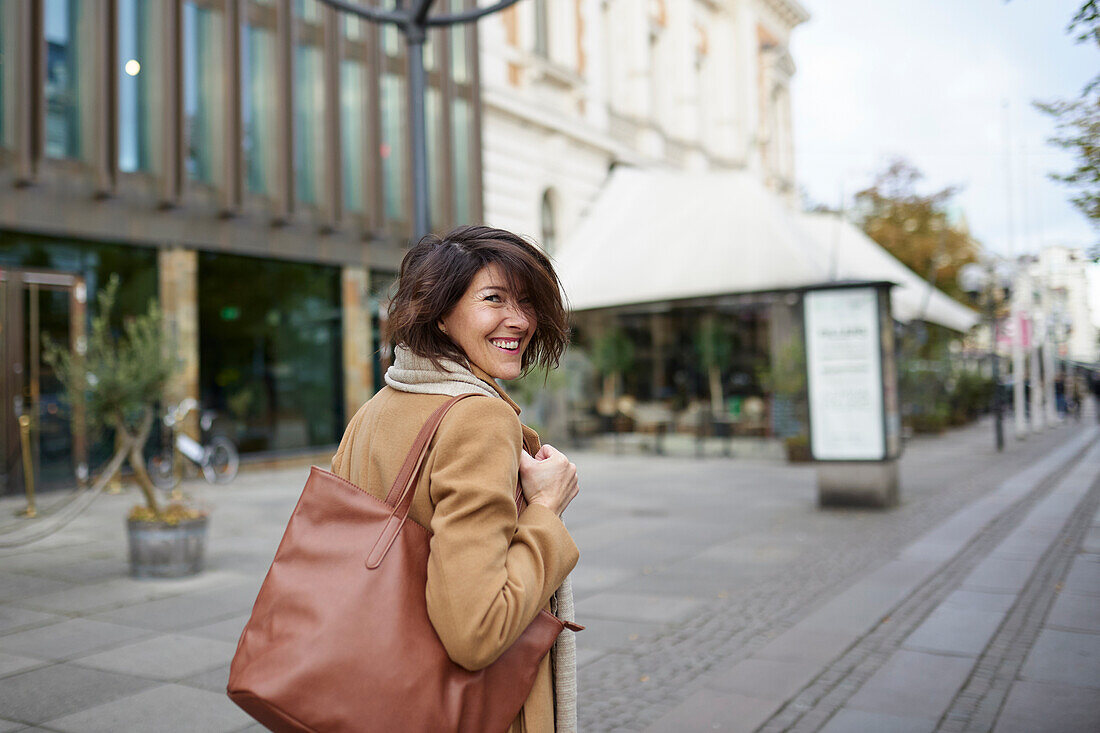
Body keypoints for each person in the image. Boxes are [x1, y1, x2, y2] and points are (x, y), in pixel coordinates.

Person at [331, 225, 581, 732]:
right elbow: (476, 632)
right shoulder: (479, 419)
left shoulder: (378, 408)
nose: (519, 320)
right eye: (494, 299)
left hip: (375, 697)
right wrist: (546, 510)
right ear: (441, 315)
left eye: (528, 302)